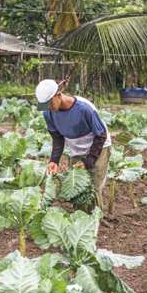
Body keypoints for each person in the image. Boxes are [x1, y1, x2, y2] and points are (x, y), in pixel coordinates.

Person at [36, 79, 111, 214]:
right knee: (77, 188)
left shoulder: (84, 108)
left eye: (49, 104)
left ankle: (93, 226)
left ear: (59, 95)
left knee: (93, 189)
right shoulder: (49, 113)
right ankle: (80, 224)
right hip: (76, 151)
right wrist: (54, 160)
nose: (48, 108)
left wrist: (89, 162)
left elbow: (101, 135)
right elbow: (58, 138)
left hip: (98, 148)